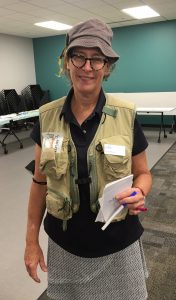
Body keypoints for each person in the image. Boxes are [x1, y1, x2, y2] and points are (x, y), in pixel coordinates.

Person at [24, 19, 152, 300]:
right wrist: (31, 241)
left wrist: (139, 191)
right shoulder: (46, 118)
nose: (87, 67)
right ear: (66, 62)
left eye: (97, 59)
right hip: (65, 246)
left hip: (119, 244)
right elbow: (39, 184)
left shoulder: (126, 115)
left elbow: (143, 173)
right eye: (78, 56)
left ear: (107, 67)